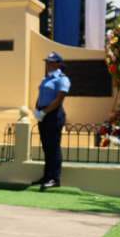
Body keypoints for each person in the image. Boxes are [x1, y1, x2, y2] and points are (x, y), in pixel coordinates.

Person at [33, 52, 70, 191]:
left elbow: (59, 99)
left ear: (58, 64)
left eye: (51, 62)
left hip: (54, 115)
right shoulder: (46, 79)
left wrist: (44, 112)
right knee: (46, 147)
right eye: (47, 62)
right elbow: (41, 95)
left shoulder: (62, 79)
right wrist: (37, 109)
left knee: (53, 147)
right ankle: (46, 176)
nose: (48, 64)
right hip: (43, 114)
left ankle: (55, 179)